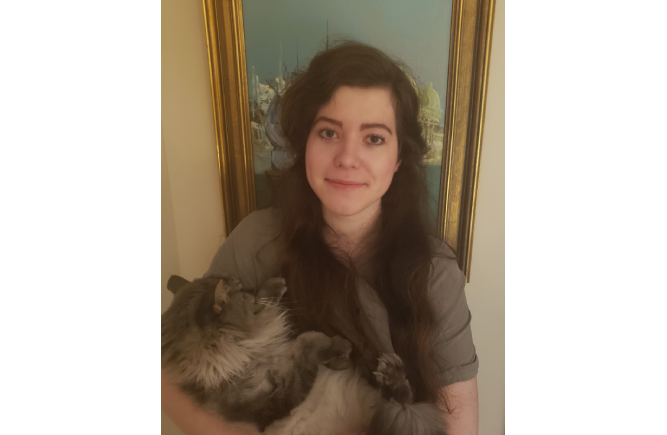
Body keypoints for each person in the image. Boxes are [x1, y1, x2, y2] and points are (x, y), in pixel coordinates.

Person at [161, 41, 479, 435]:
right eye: (328, 132)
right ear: (304, 144)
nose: (347, 157)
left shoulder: (436, 273)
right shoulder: (255, 241)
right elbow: (171, 378)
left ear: (399, 158)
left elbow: (459, 422)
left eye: (374, 138)